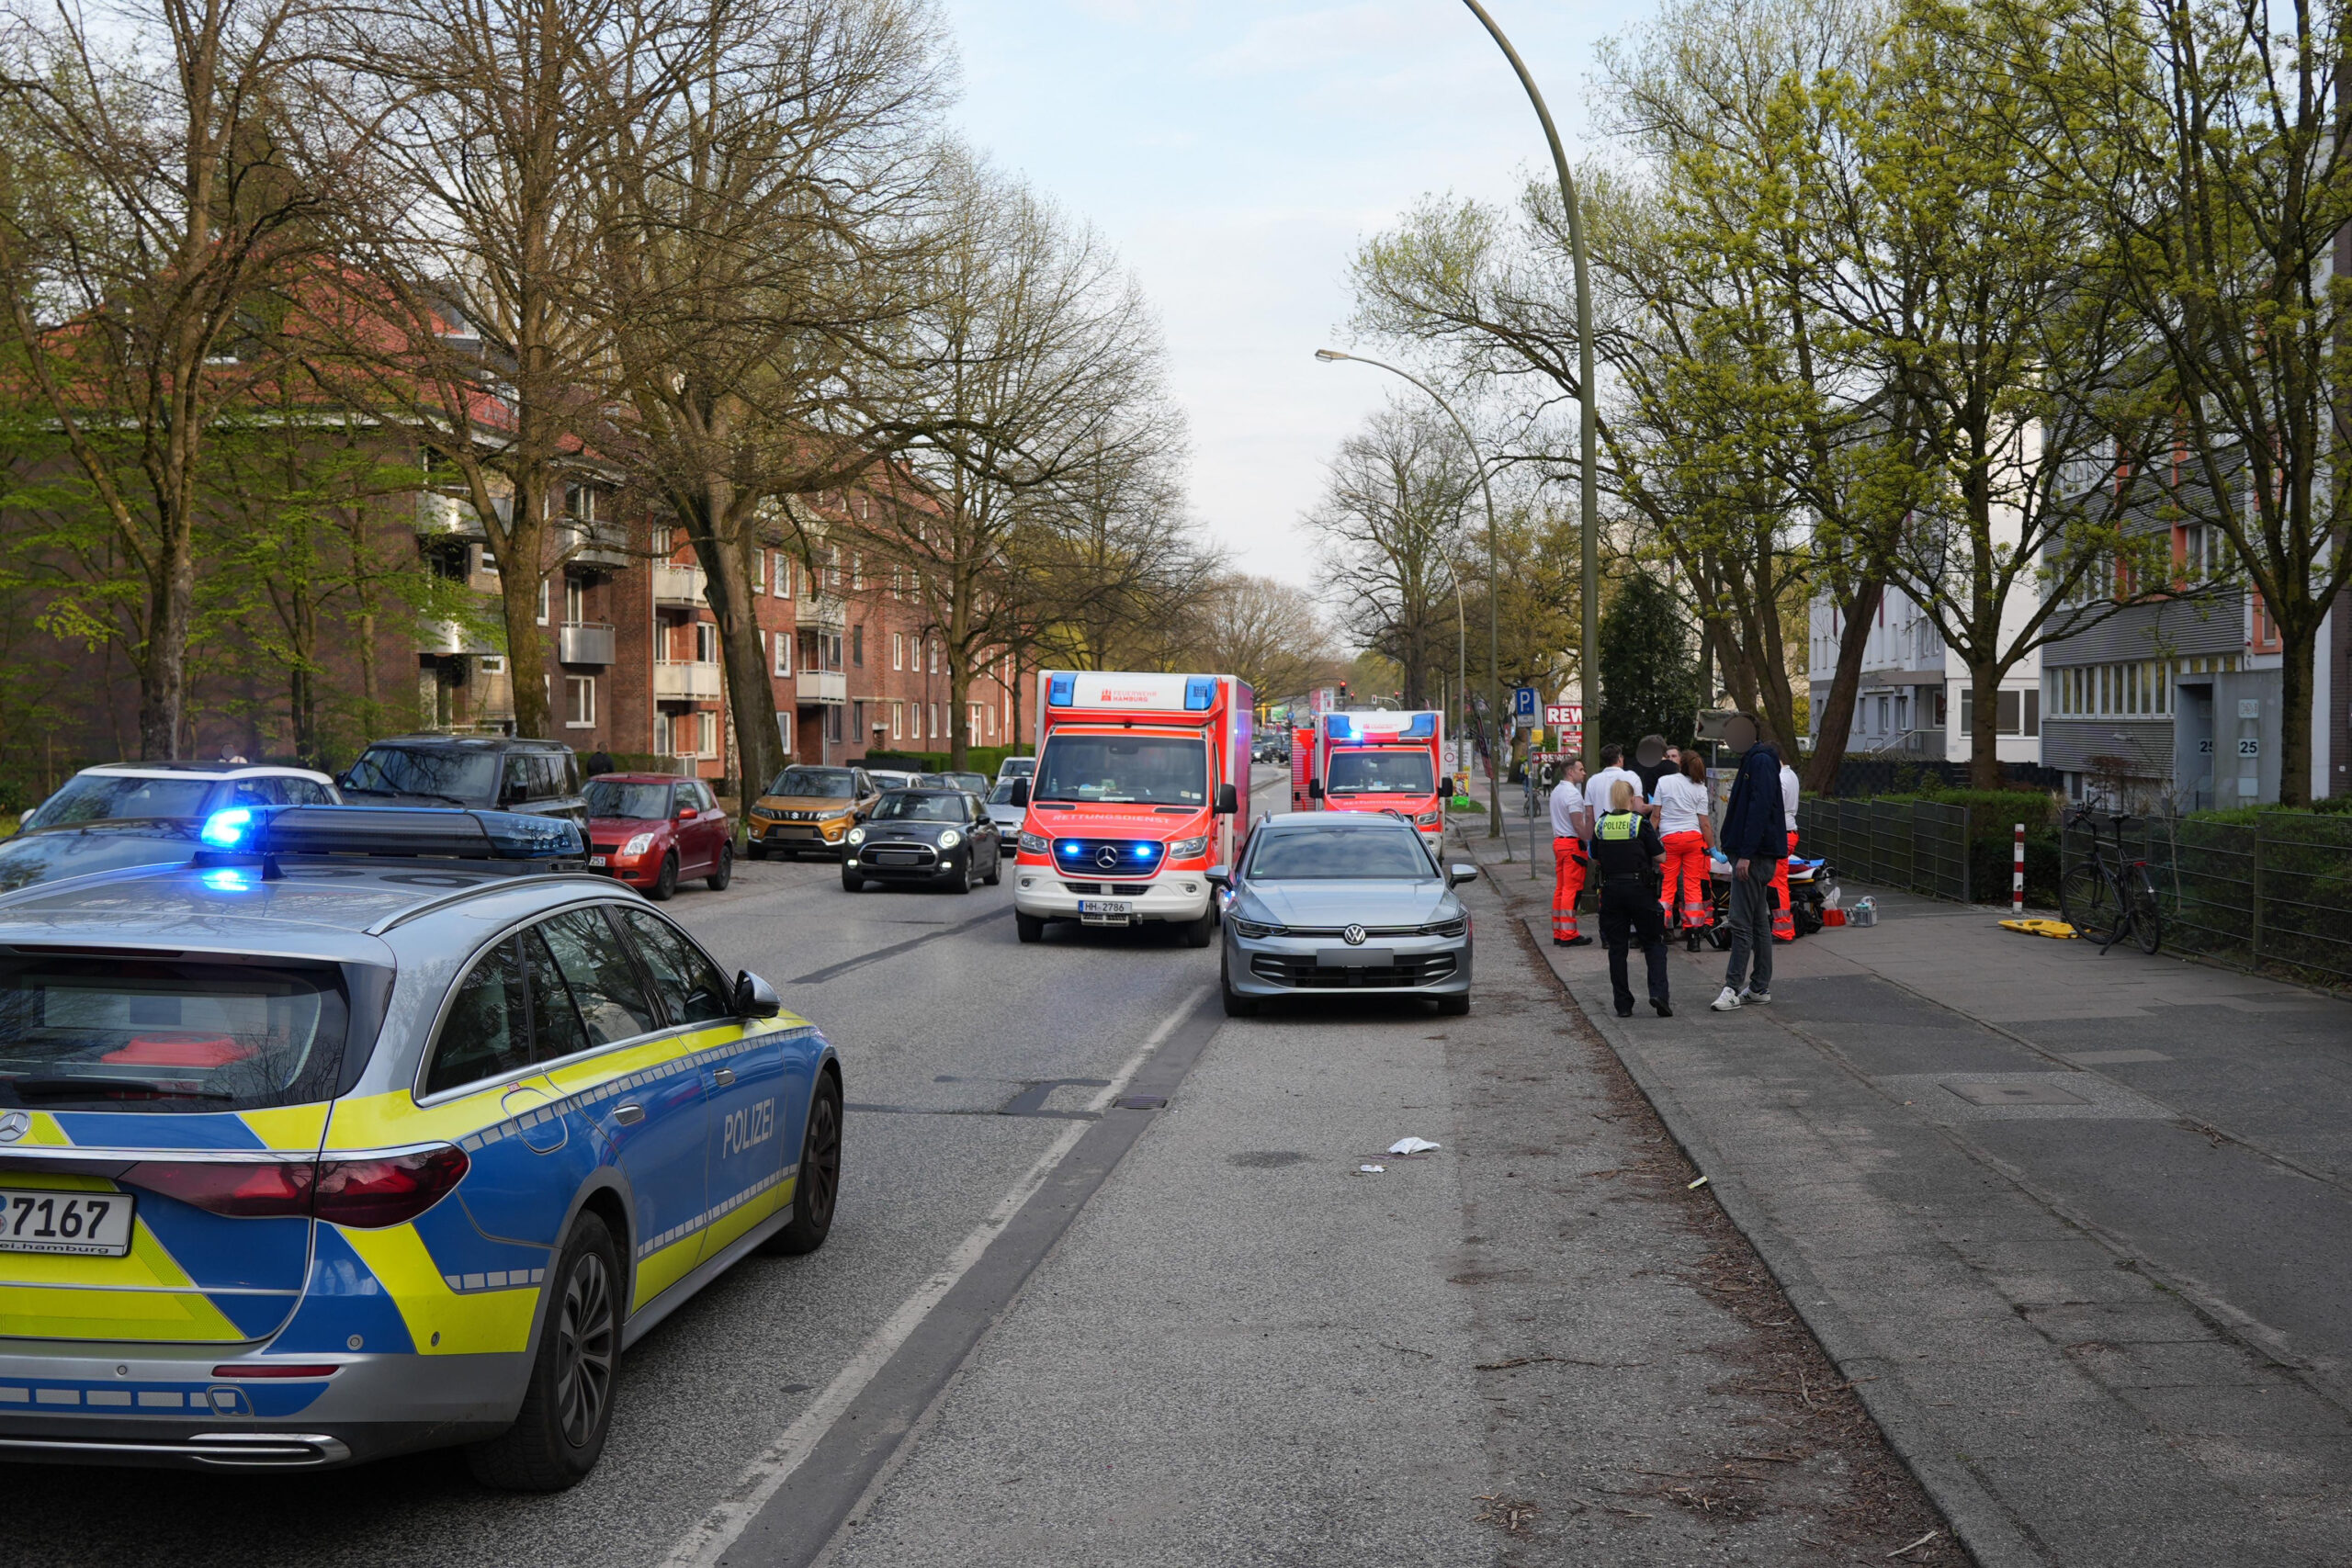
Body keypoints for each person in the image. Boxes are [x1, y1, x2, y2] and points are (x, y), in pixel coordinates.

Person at [1711, 714, 1787, 1011]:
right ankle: (1758, 987)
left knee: (1741, 922)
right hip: (1753, 854)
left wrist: (1745, 854)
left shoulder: (1759, 762)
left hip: (1753, 857)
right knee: (1757, 922)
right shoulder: (1757, 760)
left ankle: (1732, 987)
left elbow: (1758, 809)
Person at [1593, 778, 1671, 1018]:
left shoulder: (1601, 824)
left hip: (1611, 890)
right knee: (1653, 942)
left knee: (1617, 948)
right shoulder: (1639, 823)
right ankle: (1658, 994)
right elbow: (1661, 857)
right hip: (1640, 889)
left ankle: (1623, 1004)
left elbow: (1596, 858)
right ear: (1630, 799)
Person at [1656, 749, 1716, 951]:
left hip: (1669, 839)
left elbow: (1656, 816)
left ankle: (1661, 931)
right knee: (1692, 888)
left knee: (1667, 887)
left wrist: (1647, 841)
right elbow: (1705, 823)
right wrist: (1714, 849)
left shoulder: (1664, 782)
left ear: (1680, 763)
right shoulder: (1699, 787)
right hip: (1693, 839)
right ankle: (1694, 937)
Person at [1547, 757, 1592, 947]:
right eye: (1581, 769)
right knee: (1571, 891)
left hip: (1559, 842)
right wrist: (1589, 836)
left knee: (1561, 889)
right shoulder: (1573, 795)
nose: (1584, 773)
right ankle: (1568, 933)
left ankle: (1559, 931)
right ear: (1570, 772)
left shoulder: (1557, 791)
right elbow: (1578, 825)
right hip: (1572, 845)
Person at [1585, 743, 1649, 835]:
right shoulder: (1631, 777)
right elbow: (1639, 809)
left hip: (1601, 832)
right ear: (1619, 758)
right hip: (1627, 831)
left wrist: (1589, 839)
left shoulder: (1592, 781)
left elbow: (1588, 815)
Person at [1770, 743, 1800, 942]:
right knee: (1778, 880)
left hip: (1781, 833)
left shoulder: (1779, 779)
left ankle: (1783, 930)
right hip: (1789, 831)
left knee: (1777, 882)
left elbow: (1772, 809)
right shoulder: (1790, 775)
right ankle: (1783, 926)